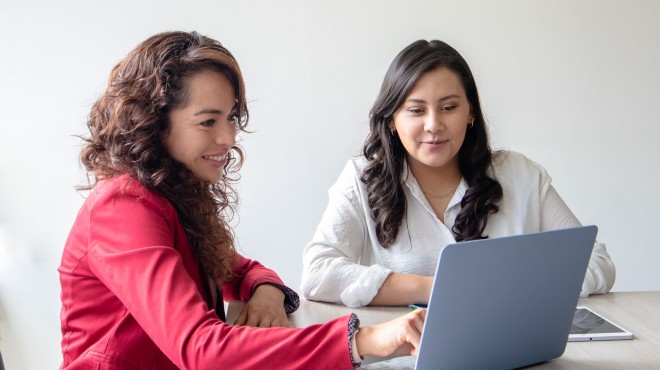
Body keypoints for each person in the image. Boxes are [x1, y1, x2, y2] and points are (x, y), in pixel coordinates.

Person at [58, 31, 426, 370]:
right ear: (154, 123)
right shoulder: (123, 207)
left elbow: (242, 269)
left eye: (231, 118)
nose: (228, 137)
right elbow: (201, 348)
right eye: (208, 122)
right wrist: (367, 340)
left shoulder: (170, 197)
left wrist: (267, 292)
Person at [301, 39, 616, 308]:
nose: (434, 125)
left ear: (471, 114)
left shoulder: (521, 175)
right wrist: (438, 289)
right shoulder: (361, 178)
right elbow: (317, 273)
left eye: (449, 107)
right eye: (416, 110)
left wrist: (517, 290)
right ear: (392, 120)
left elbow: (596, 262)